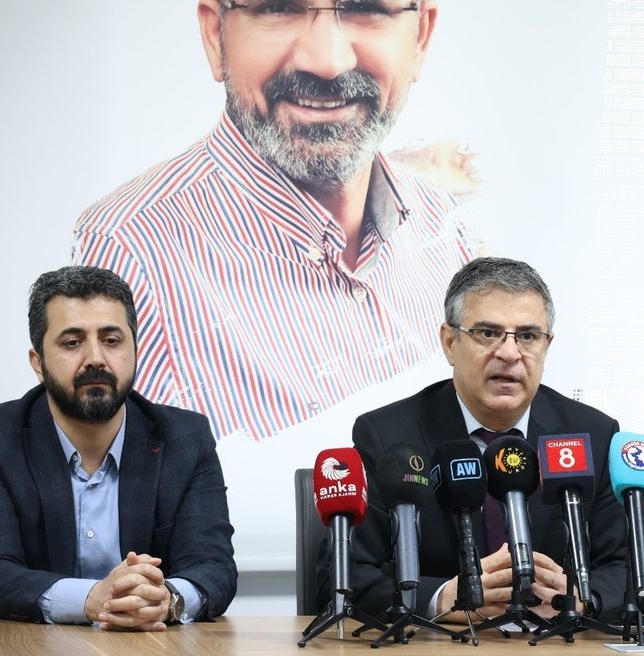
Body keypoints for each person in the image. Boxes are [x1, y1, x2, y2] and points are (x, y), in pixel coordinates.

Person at [72, 0, 473, 439]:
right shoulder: (128, 255)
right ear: (215, 35)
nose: (327, 61)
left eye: (366, 6)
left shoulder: (444, 225)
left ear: (420, 37)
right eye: (279, 7)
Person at [320, 257, 627, 619]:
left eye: (528, 336)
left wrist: (583, 598)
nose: (509, 353)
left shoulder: (592, 435)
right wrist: (439, 598)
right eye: (487, 333)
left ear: (547, 346)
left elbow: (625, 566)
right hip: (446, 648)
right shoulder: (387, 436)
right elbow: (342, 577)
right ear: (450, 342)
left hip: (554, 645)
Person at [0, 267, 236, 628]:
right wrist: (91, 599)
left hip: (152, 653)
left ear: (135, 351)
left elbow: (213, 567)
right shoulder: (0, 438)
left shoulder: (186, 438)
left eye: (111, 340)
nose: (95, 358)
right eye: (72, 342)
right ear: (38, 363)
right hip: (30, 655)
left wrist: (167, 599)